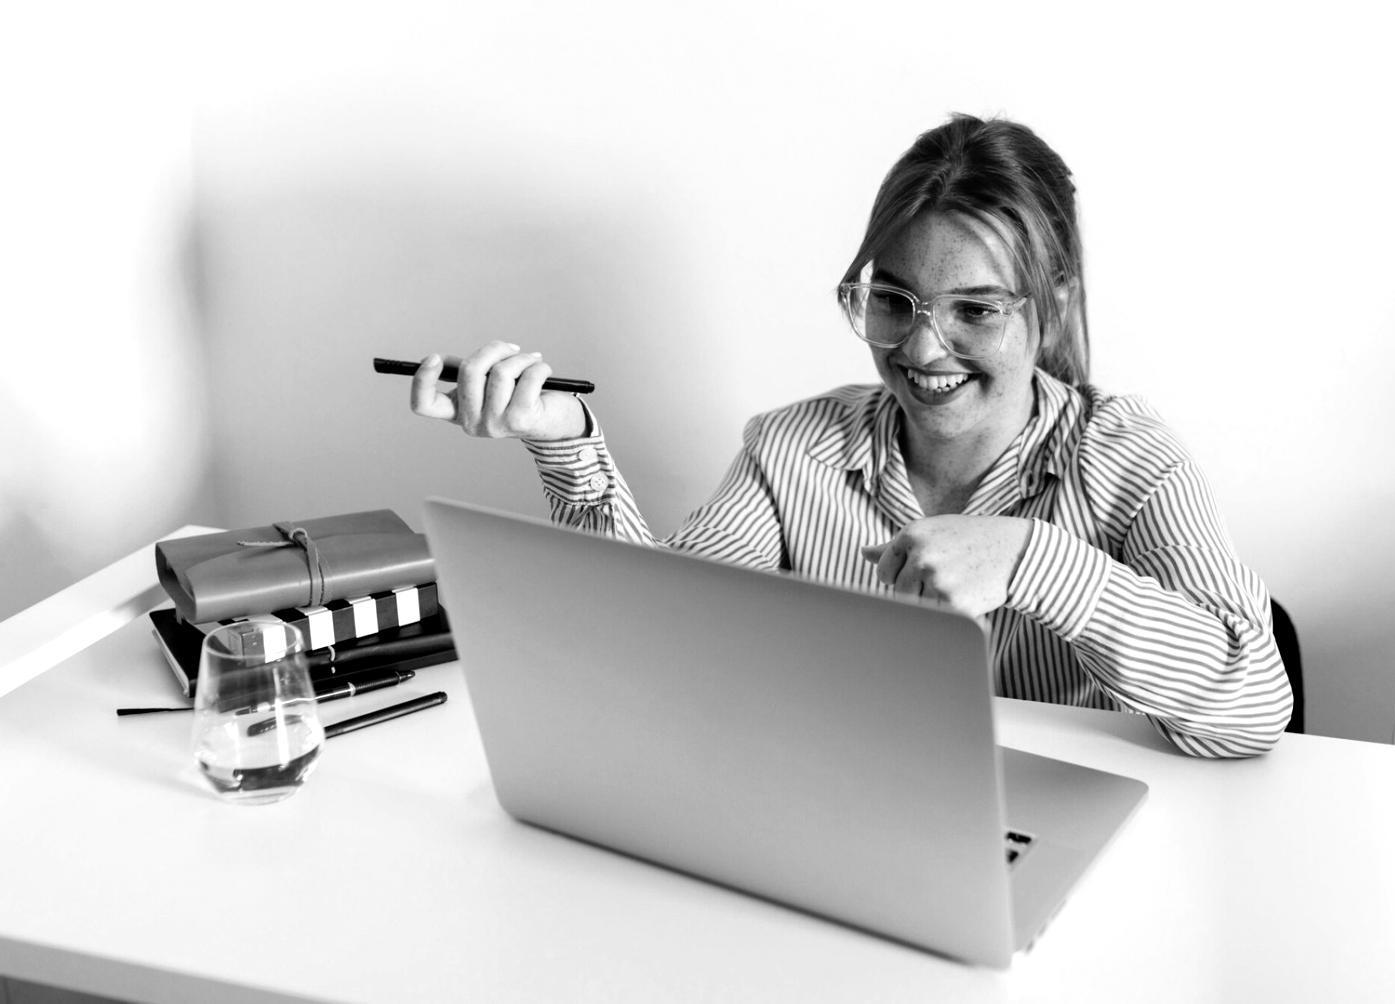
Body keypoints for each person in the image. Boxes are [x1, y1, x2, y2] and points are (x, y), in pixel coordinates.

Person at [409, 113, 1293, 758]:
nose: (921, 350)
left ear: (1053, 304)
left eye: (975, 310)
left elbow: (1254, 707)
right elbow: (652, 643)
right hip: (845, 823)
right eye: (893, 301)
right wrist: (564, 441)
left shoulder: (1128, 458)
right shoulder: (791, 450)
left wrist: (1035, 562)